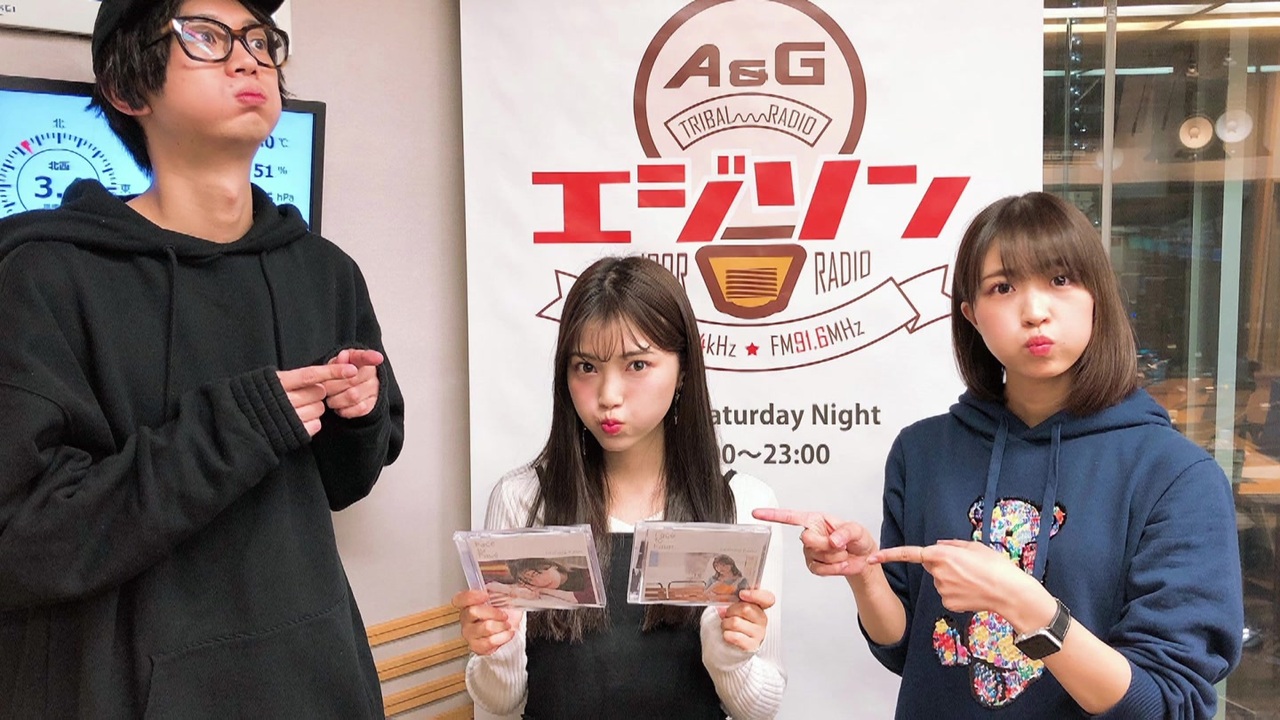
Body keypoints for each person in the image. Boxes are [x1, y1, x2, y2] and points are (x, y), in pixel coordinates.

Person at [0, 0, 404, 717]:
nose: (249, 59)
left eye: (260, 41)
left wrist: (360, 416)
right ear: (128, 88)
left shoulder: (325, 272)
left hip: (315, 682)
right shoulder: (46, 276)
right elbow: (24, 544)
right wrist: (235, 427)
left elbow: (345, 483)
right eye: (207, 37)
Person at [756, 192, 1242, 718]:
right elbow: (906, 648)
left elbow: (1167, 703)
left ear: (1096, 296)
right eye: (1003, 288)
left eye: (1060, 280)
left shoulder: (1176, 475)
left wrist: (1024, 604)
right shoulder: (923, 452)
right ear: (971, 314)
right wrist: (865, 574)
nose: (1035, 312)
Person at [452, 256, 785, 719]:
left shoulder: (742, 504)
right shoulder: (523, 498)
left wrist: (729, 658)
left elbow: (760, 708)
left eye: (637, 364)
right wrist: (497, 652)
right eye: (586, 366)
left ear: (683, 370)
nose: (608, 395)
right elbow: (499, 703)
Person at [485, 557, 599, 606]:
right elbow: (488, 584)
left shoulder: (585, 572)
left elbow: (591, 597)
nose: (538, 582)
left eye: (535, 574)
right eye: (529, 580)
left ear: (552, 565)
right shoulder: (538, 591)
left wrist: (545, 590)